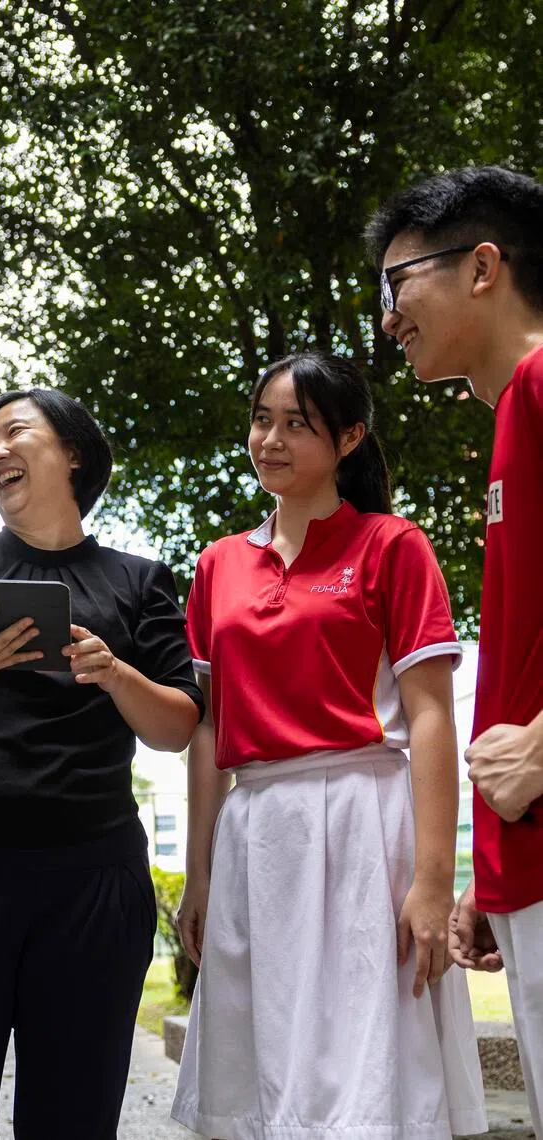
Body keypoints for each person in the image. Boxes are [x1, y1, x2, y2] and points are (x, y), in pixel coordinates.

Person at [171, 352, 486, 1140]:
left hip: (362, 823)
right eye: (261, 420)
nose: (269, 440)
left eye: (296, 425)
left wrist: (430, 881)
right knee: (264, 1067)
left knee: (363, 1064)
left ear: (349, 437)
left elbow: (433, 720)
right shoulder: (218, 565)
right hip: (255, 832)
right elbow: (209, 725)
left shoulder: (391, 545)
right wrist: (200, 872)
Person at [0, 388, 203, 1140]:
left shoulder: (138, 578)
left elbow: (178, 725)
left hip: (92, 883)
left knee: (73, 1118)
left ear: (74, 453)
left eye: (15, 432)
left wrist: (115, 672)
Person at [366, 165, 543, 1137]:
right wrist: (495, 881)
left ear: (483, 267)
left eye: (401, 285)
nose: (389, 319)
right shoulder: (513, 418)